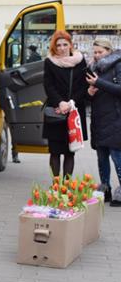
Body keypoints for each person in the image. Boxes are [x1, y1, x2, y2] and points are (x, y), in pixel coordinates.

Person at [42, 29, 88, 179]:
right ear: (54, 47)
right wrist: (60, 102)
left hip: (74, 110)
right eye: (58, 45)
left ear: (70, 45)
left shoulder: (80, 61)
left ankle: (67, 186)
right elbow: (48, 85)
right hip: (56, 110)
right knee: (54, 152)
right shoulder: (50, 62)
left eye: (65, 44)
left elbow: (84, 85)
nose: (62, 48)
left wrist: (71, 102)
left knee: (70, 151)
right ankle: (56, 186)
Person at [86, 36, 121, 205]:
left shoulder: (118, 65)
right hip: (98, 119)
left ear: (109, 51)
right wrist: (89, 93)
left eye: (100, 52)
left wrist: (98, 82)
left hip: (115, 118)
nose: (97, 55)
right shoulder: (93, 68)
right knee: (101, 158)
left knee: (117, 156)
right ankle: (105, 188)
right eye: (95, 52)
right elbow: (87, 97)